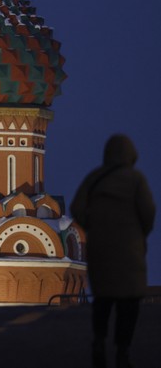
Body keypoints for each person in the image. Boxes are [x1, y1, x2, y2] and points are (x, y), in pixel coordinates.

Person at [71, 134, 155, 368]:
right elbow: (148, 212)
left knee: (104, 299)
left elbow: (77, 207)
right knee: (129, 302)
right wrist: (139, 233)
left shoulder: (95, 178)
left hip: (101, 247)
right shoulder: (135, 179)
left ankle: (99, 340)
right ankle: (123, 349)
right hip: (130, 250)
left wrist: (92, 225)